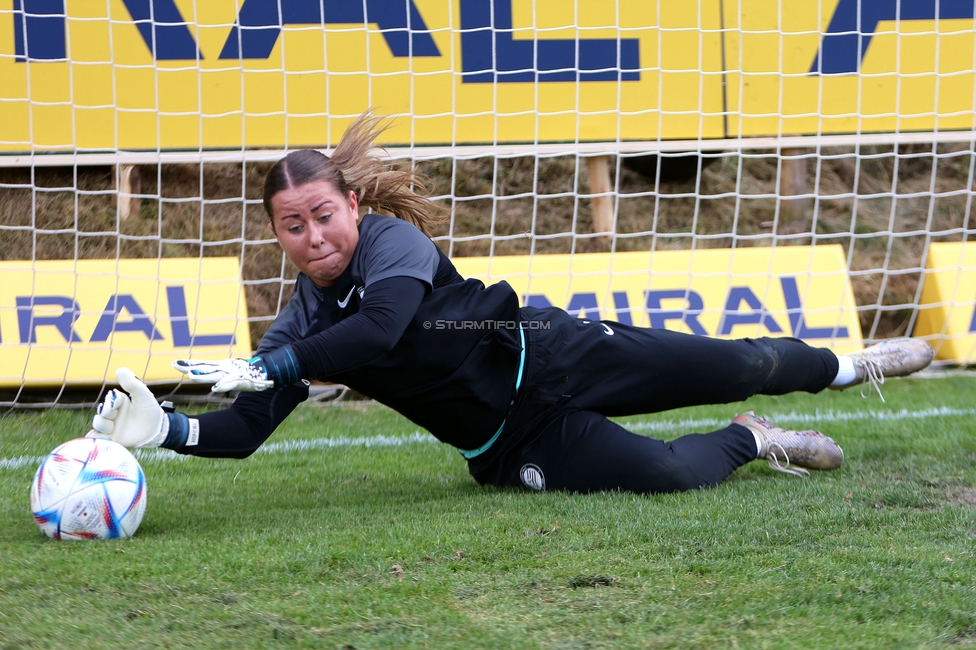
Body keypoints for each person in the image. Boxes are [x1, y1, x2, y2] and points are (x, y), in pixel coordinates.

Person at [87, 113, 935, 494]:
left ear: (351, 206)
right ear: (276, 234)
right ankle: (751, 439)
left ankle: (850, 367)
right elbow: (245, 433)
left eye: (323, 215)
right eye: (291, 226)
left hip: (555, 352)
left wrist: (275, 363)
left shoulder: (392, 244)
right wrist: (171, 430)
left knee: (740, 360)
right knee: (671, 472)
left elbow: (380, 327)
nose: (312, 235)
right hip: (515, 440)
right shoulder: (299, 324)